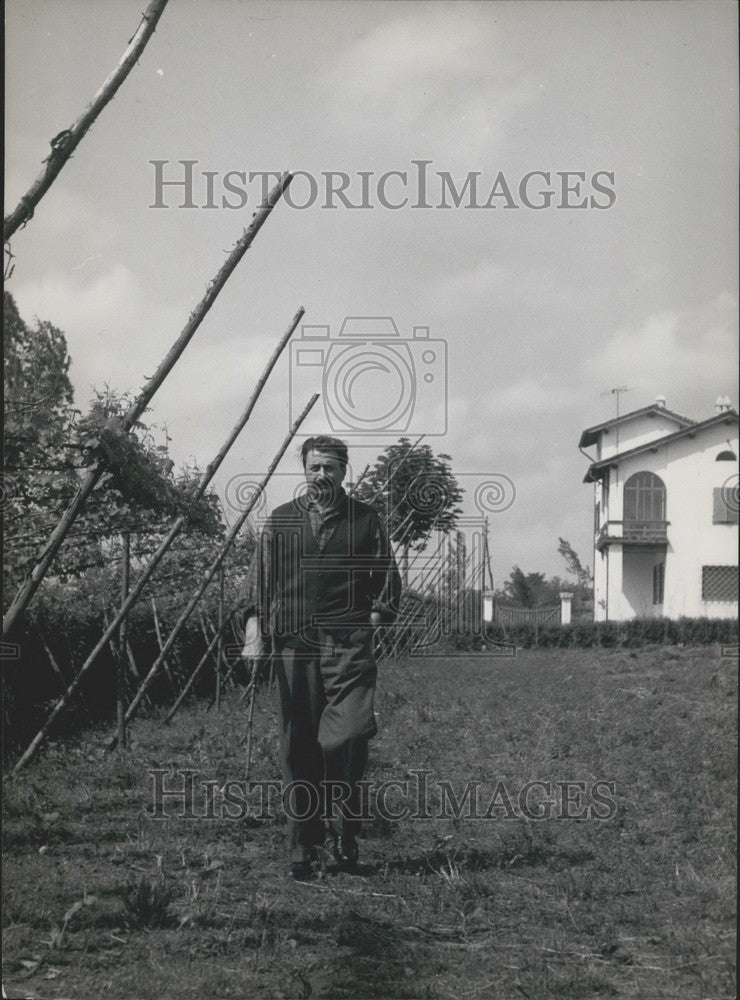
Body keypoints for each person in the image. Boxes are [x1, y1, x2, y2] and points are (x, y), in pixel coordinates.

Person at [247, 435, 402, 879]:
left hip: (347, 644)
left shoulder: (366, 520)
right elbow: (259, 583)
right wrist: (254, 631)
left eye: (331, 468)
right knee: (299, 744)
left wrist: (368, 623)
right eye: (315, 467)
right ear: (304, 470)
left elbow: (387, 584)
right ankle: (305, 848)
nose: (322, 475)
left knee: (348, 736)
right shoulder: (281, 521)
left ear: (344, 471)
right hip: (294, 646)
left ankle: (344, 827)